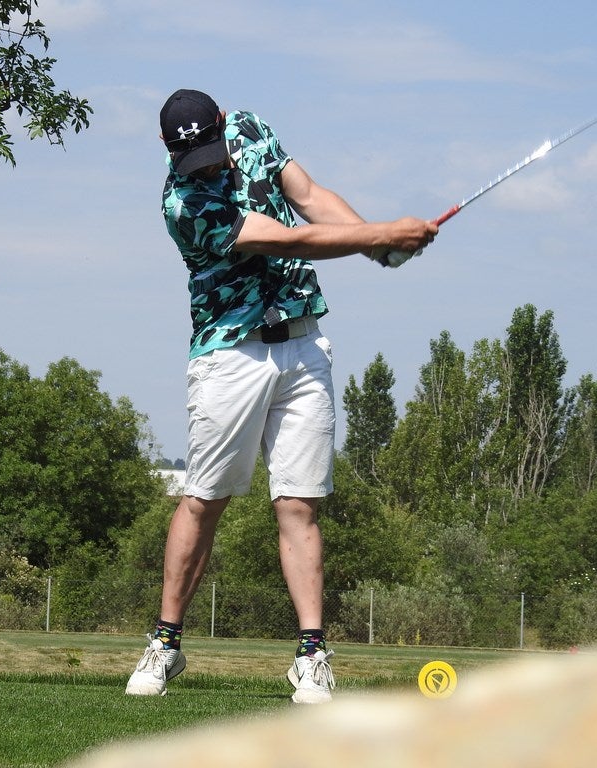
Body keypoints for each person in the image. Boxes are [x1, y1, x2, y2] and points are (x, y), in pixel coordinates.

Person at [125, 88, 437, 704]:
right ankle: (165, 643)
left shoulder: (250, 128)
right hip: (229, 354)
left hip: (301, 343)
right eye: (196, 159)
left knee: (299, 504)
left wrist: (375, 243)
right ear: (170, 152)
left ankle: (312, 655)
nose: (210, 165)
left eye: (214, 150)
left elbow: (310, 197)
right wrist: (382, 235)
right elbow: (287, 239)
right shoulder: (182, 202)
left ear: (222, 125)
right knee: (204, 498)